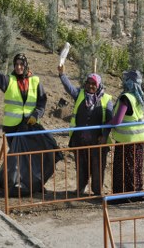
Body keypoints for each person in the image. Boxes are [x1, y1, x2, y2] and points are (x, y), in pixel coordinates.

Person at [58, 64, 113, 196]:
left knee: (97, 167)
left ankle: (97, 192)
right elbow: (69, 88)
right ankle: (80, 189)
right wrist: (62, 75)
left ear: (99, 85)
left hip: (98, 142)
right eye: (88, 83)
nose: (90, 86)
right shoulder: (80, 94)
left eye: (93, 84)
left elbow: (110, 120)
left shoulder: (106, 99)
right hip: (80, 140)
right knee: (81, 166)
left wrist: (105, 135)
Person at [0, 53, 47, 147]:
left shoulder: (35, 80)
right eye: (16, 64)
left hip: (30, 125)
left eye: (21, 64)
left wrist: (36, 115)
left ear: (26, 65)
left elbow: (42, 101)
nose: (19, 67)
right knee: (17, 156)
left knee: (31, 156)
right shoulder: (9, 80)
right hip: (12, 128)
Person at [107, 70, 144, 203]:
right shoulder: (138, 97)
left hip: (127, 140)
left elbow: (117, 120)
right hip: (139, 139)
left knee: (124, 168)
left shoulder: (126, 98)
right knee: (136, 167)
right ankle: (136, 193)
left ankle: (122, 196)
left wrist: (105, 124)